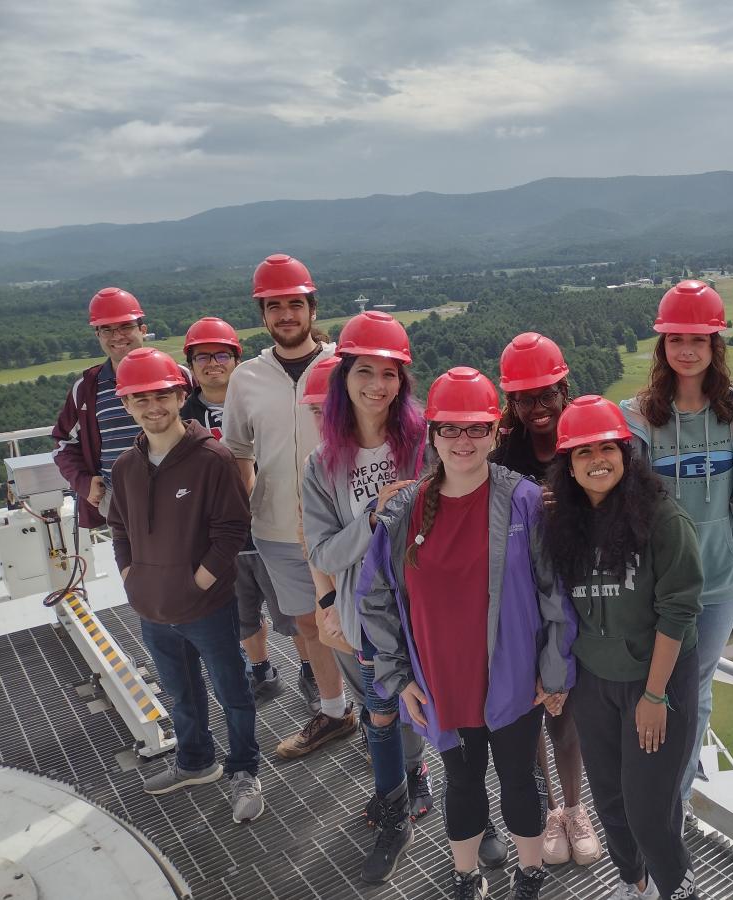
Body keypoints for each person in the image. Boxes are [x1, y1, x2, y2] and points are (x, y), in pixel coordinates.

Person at [358, 367, 575, 900]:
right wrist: (397, 674)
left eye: (476, 428)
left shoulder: (522, 500)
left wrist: (553, 672)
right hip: (442, 682)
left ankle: (529, 877)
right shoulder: (406, 510)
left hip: (515, 678)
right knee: (462, 782)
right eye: (450, 429)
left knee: (521, 781)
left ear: (495, 433)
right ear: (431, 435)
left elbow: (554, 594)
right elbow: (375, 597)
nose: (463, 440)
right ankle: (465, 877)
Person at [620, 280, 733, 822]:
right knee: (659, 687)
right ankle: (656, 791)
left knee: (697, 688)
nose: (687, 350)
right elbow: (629, 503)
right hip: (662, 584)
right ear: (662, 346)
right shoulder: (639, 417)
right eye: (676, 339)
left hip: (721, 579)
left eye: (699, 339)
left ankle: (676, 800)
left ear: (716, 347)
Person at [544, 395, 703, 900]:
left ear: (626, 452)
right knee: (610, 801)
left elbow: (678, 610)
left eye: (607, 448)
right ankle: (635, 884)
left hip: (655, 682)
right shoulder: (564, 523)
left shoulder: (661, 519)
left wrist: (655, 697)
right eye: (582, 452)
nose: (597, 460)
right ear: (568, 465)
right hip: (594, 681)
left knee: (648, 809)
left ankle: (678, 889)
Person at [301, 312, 434, 883]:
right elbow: (325, 554)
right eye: (364, 371)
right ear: (343, 378)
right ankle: (394, 815)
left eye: (389, 374)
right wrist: (375, 515)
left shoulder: (425, 443)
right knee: (380, 715)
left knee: (439, 709)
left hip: (426, 607)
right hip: (368, 613)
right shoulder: (322, 464)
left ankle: (469, 815)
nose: (377, 385)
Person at [106, 348, 262, 823]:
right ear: (127, 405)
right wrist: (133, 578)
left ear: (179, 395)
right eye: (141, 400)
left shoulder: (211, 458)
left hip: (206, 608)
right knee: (180, 694)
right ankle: (196, 762)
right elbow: (119, 528)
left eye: (162, 396)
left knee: (232, 691)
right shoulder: (125, 468)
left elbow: (232, 529)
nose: (153, 408)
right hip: (153, 610)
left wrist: (197, 582)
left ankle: (244, 770)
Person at [221, 253, 356, 758]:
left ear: (312, 308)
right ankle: (335, 711)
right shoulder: (246, 379)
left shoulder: (346, 367)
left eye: (294, 305)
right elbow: (238, 452)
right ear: (262, 315)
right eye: (273, 306)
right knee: (309, 623)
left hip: (347, 528)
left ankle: (380, 719)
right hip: (276, 527)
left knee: (366, 622)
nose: (285, 315)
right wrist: (247, 513)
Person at [491, 332, 601, 868]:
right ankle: (549, 809)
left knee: (567, 716)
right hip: (521, 601)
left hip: (575, 595)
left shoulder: (586, 437)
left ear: (563, 388)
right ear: (510, 401)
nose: (536, 408)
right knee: (529, 710)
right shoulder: (501, 453)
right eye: (523, 398)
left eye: (545, 395)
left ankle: (577, 810)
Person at [180, 316, 302, 705]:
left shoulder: (260, 399)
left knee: (295, 613)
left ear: (236, 359)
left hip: (271, 526)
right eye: (202, 357)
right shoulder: (183, 416)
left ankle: (313, 671)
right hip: (220, 538)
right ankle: (261, 670)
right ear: (191, 364)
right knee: (242, 614)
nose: (212, 363)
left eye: (221, 355)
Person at [52, 287, 190, 528]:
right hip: (121, 502)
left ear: (143, 330)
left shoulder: (179, 376)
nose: (117, 336)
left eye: (126, 326)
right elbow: (64, 443)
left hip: (185, 493)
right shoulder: (86, 389)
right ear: (98, 335)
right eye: (107, 329)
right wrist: (83, 482)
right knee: (133, 565)